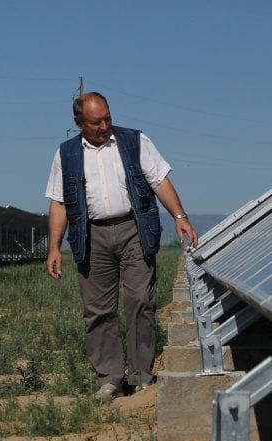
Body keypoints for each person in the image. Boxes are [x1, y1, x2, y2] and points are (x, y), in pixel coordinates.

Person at [45, 92, 198, 400]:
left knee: (140, 300)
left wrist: (179, 216)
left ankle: (141, 374)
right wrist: (53, 247)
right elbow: (59, 202)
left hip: (133, 228)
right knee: (97, 310)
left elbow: (159, 181)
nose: (104, 126)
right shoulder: (66, 154)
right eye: (95, 121)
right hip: (92, 235)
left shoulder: (134, 141)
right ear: (79, 123)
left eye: (107, 118)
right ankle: (110, 378)